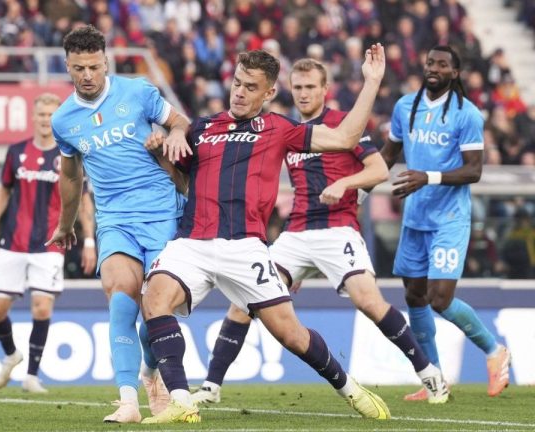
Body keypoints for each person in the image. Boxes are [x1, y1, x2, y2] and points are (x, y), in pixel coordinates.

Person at [140, 47, 390, 424]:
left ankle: (349, 389)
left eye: (250, 87)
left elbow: (345, 136)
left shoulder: (280, 129)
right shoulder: (202, 128)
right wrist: (163, 155)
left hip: (244, 247)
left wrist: (371, 83)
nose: (239, 92)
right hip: (191, 240)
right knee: (154, 298)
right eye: (237, 83)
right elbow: (183, 181)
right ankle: (180, 400)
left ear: (268, 93)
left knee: (291, 335)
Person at [189, 58, 449, 406]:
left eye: (311, 87)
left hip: (337, 228)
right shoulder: (289, 131)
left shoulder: (342, 125)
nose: (304, 94)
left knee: (368, 301)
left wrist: (345, 183)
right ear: (287, 90)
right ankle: (211, 387)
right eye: (297, 87)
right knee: (243, 302)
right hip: (296, 234)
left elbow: (377, 170)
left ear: (325, 90)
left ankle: (430, 375)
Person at [45, 25, 191, 423]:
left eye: (93, 66)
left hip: (163, 214)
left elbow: (181, 122)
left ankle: (150, 372)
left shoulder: (138, 92)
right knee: (121, 299)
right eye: (79, 68)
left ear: (105, 61)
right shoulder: (64, 120)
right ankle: (127, 400)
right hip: (115, 220)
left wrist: (171, 136)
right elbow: (72, 176)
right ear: (68, 67)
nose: (87, 75)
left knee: (155, 311)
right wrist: (66, 224)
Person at [380, 45, 511, 400]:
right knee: (414, 295)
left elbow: (474, 170)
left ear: (455, 72)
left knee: (440, 298)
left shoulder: (467, 114)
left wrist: (429, 177)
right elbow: (388, 155)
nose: (433, 68)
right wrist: (358, 188)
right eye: (429, 62)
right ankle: (433, 379)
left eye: (442, 64)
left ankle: (494, 350)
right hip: (415, 218)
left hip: (449, 218)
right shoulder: (405, 106)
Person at [0, 93, 97, 393]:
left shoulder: (69, 156)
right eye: (42, 114)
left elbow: (84, 199)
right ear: (34, 117)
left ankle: (31, 375)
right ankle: (12, 355)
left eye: (51, 114)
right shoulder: (16, 151)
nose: (46, 120)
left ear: (57, 118)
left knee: (42, 307)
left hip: (50, 243)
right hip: (13, 242)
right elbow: (4, 190)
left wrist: (88, 241)